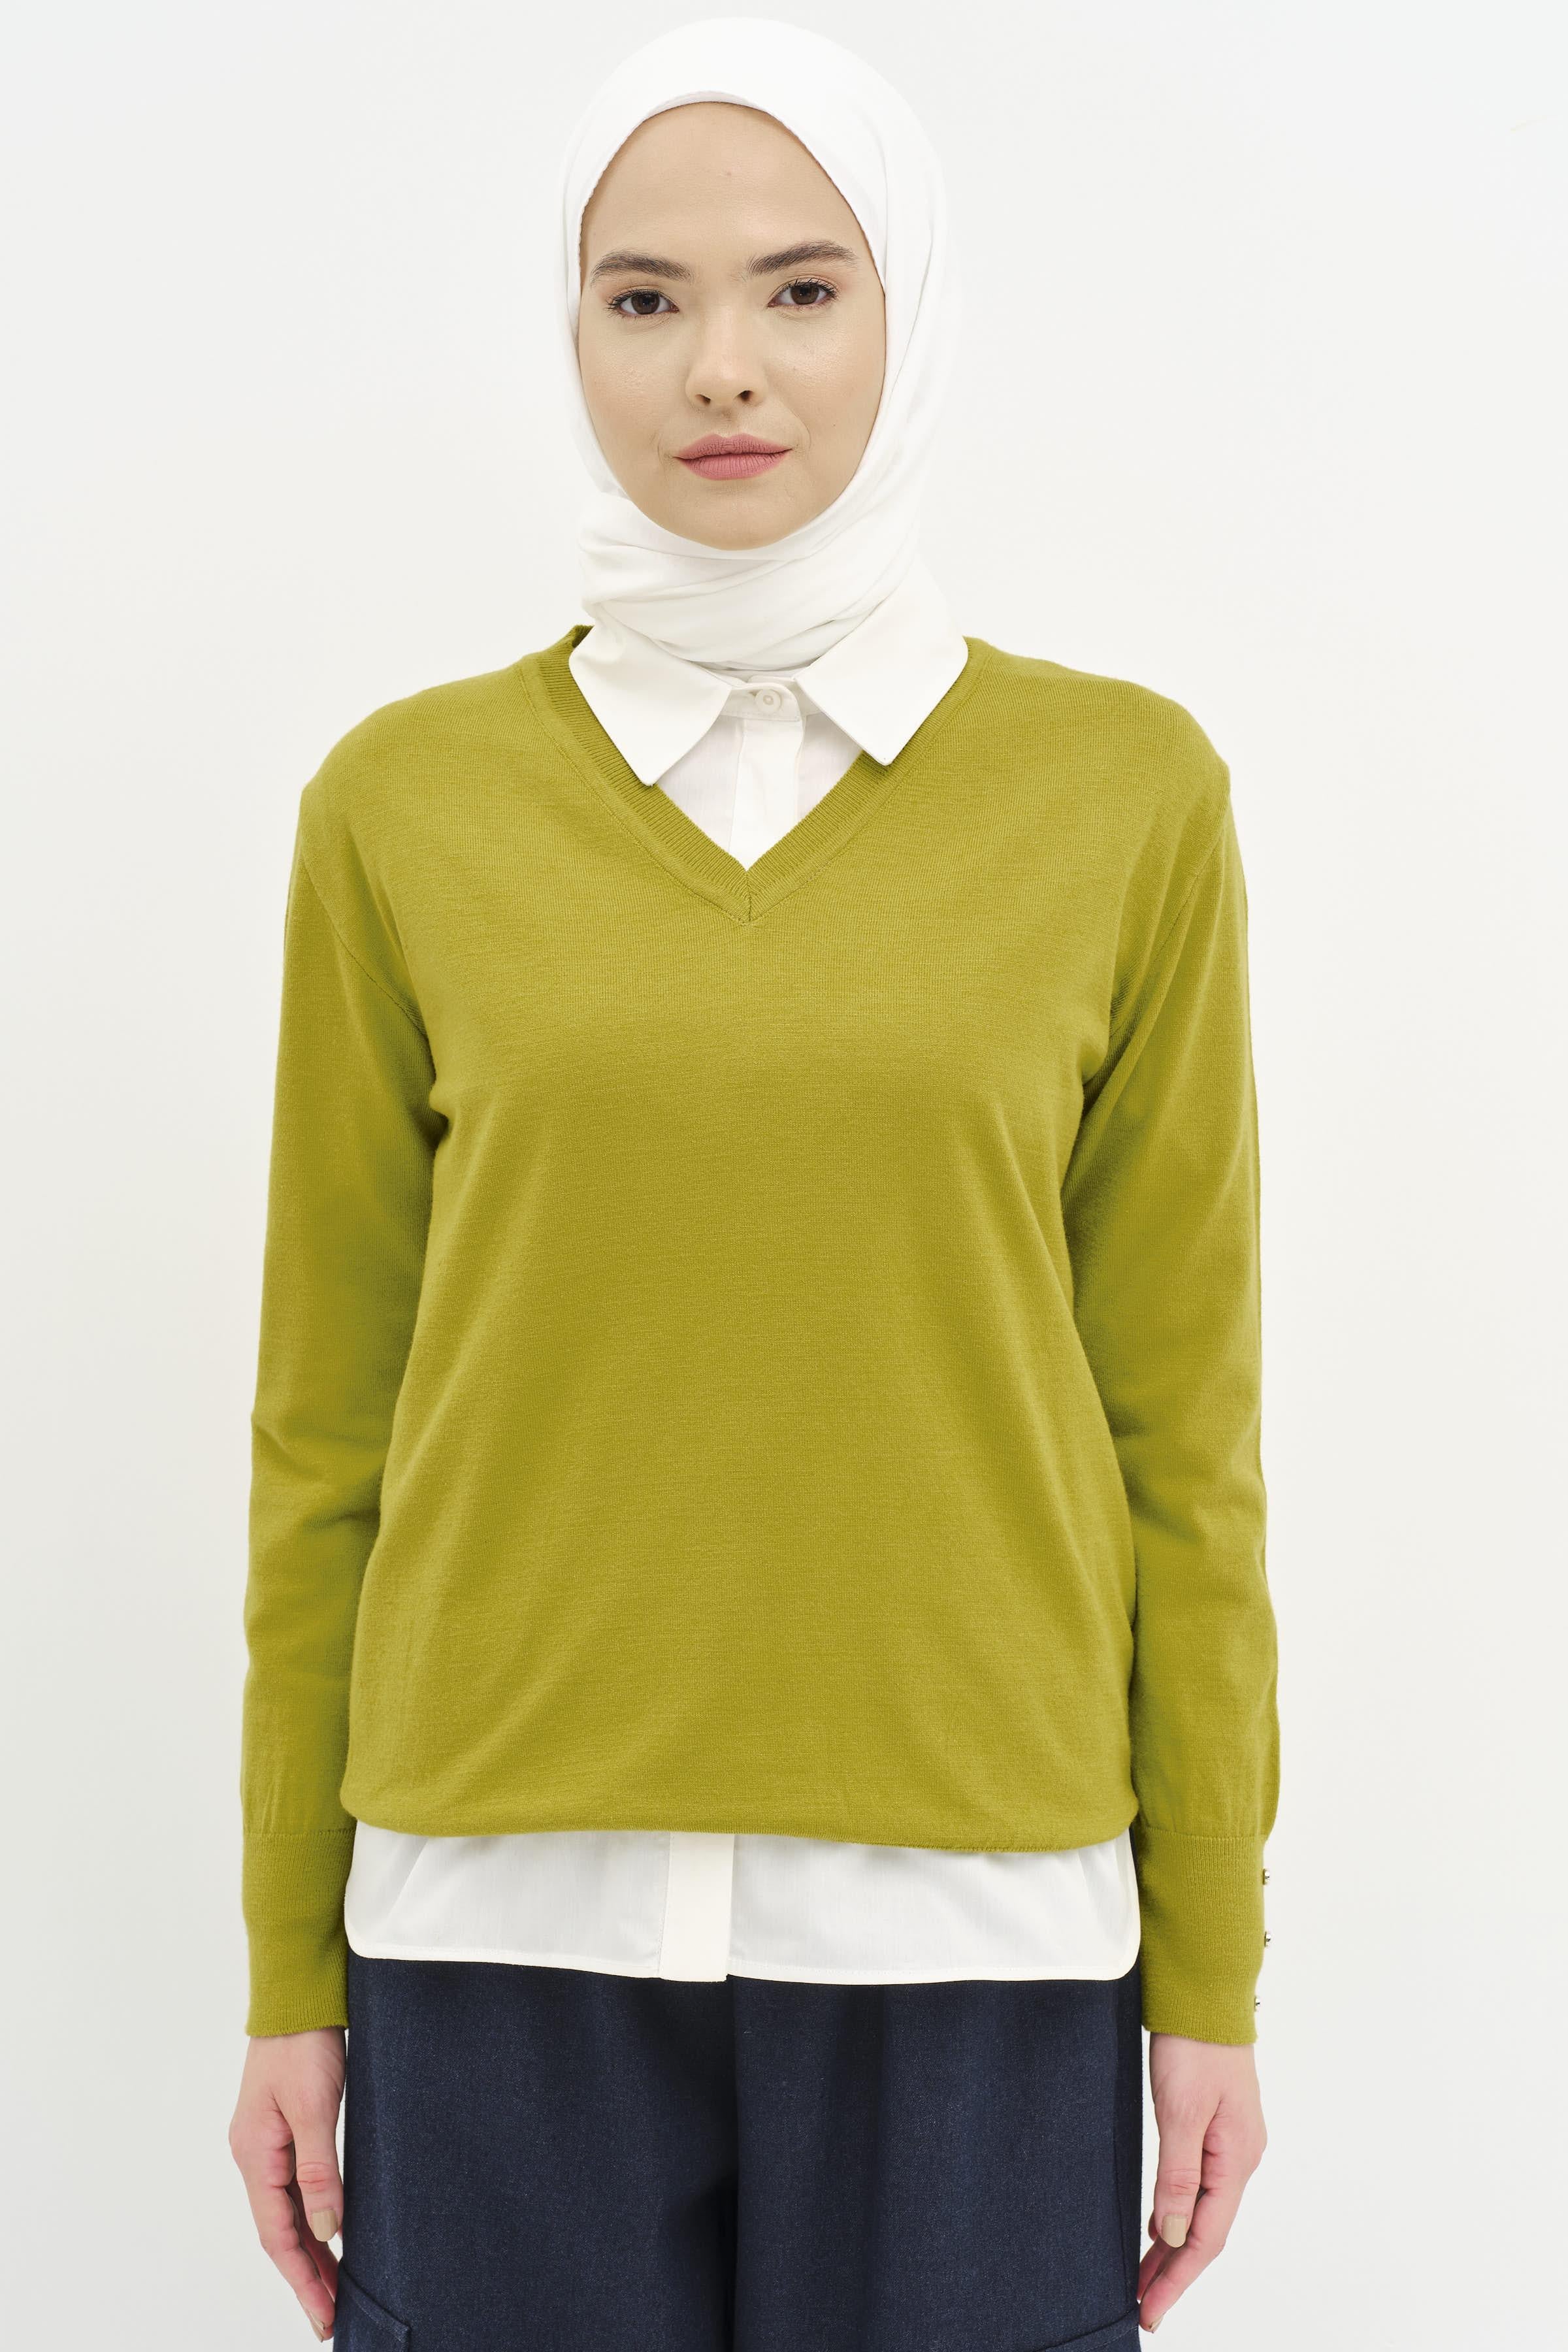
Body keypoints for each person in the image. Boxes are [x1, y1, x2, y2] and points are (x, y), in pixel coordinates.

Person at [227, 18, 1279, 2348]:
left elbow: (1184, 1441)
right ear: (573, 328)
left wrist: (1208, 1965)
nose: (722, 365)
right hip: (493, 1921)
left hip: (981, 1927)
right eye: (646, 297)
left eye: (803, 288)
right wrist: (290, 1968)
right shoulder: (401, 809)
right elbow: (327, 1439)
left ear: (912, 307)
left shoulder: (1126, 798)